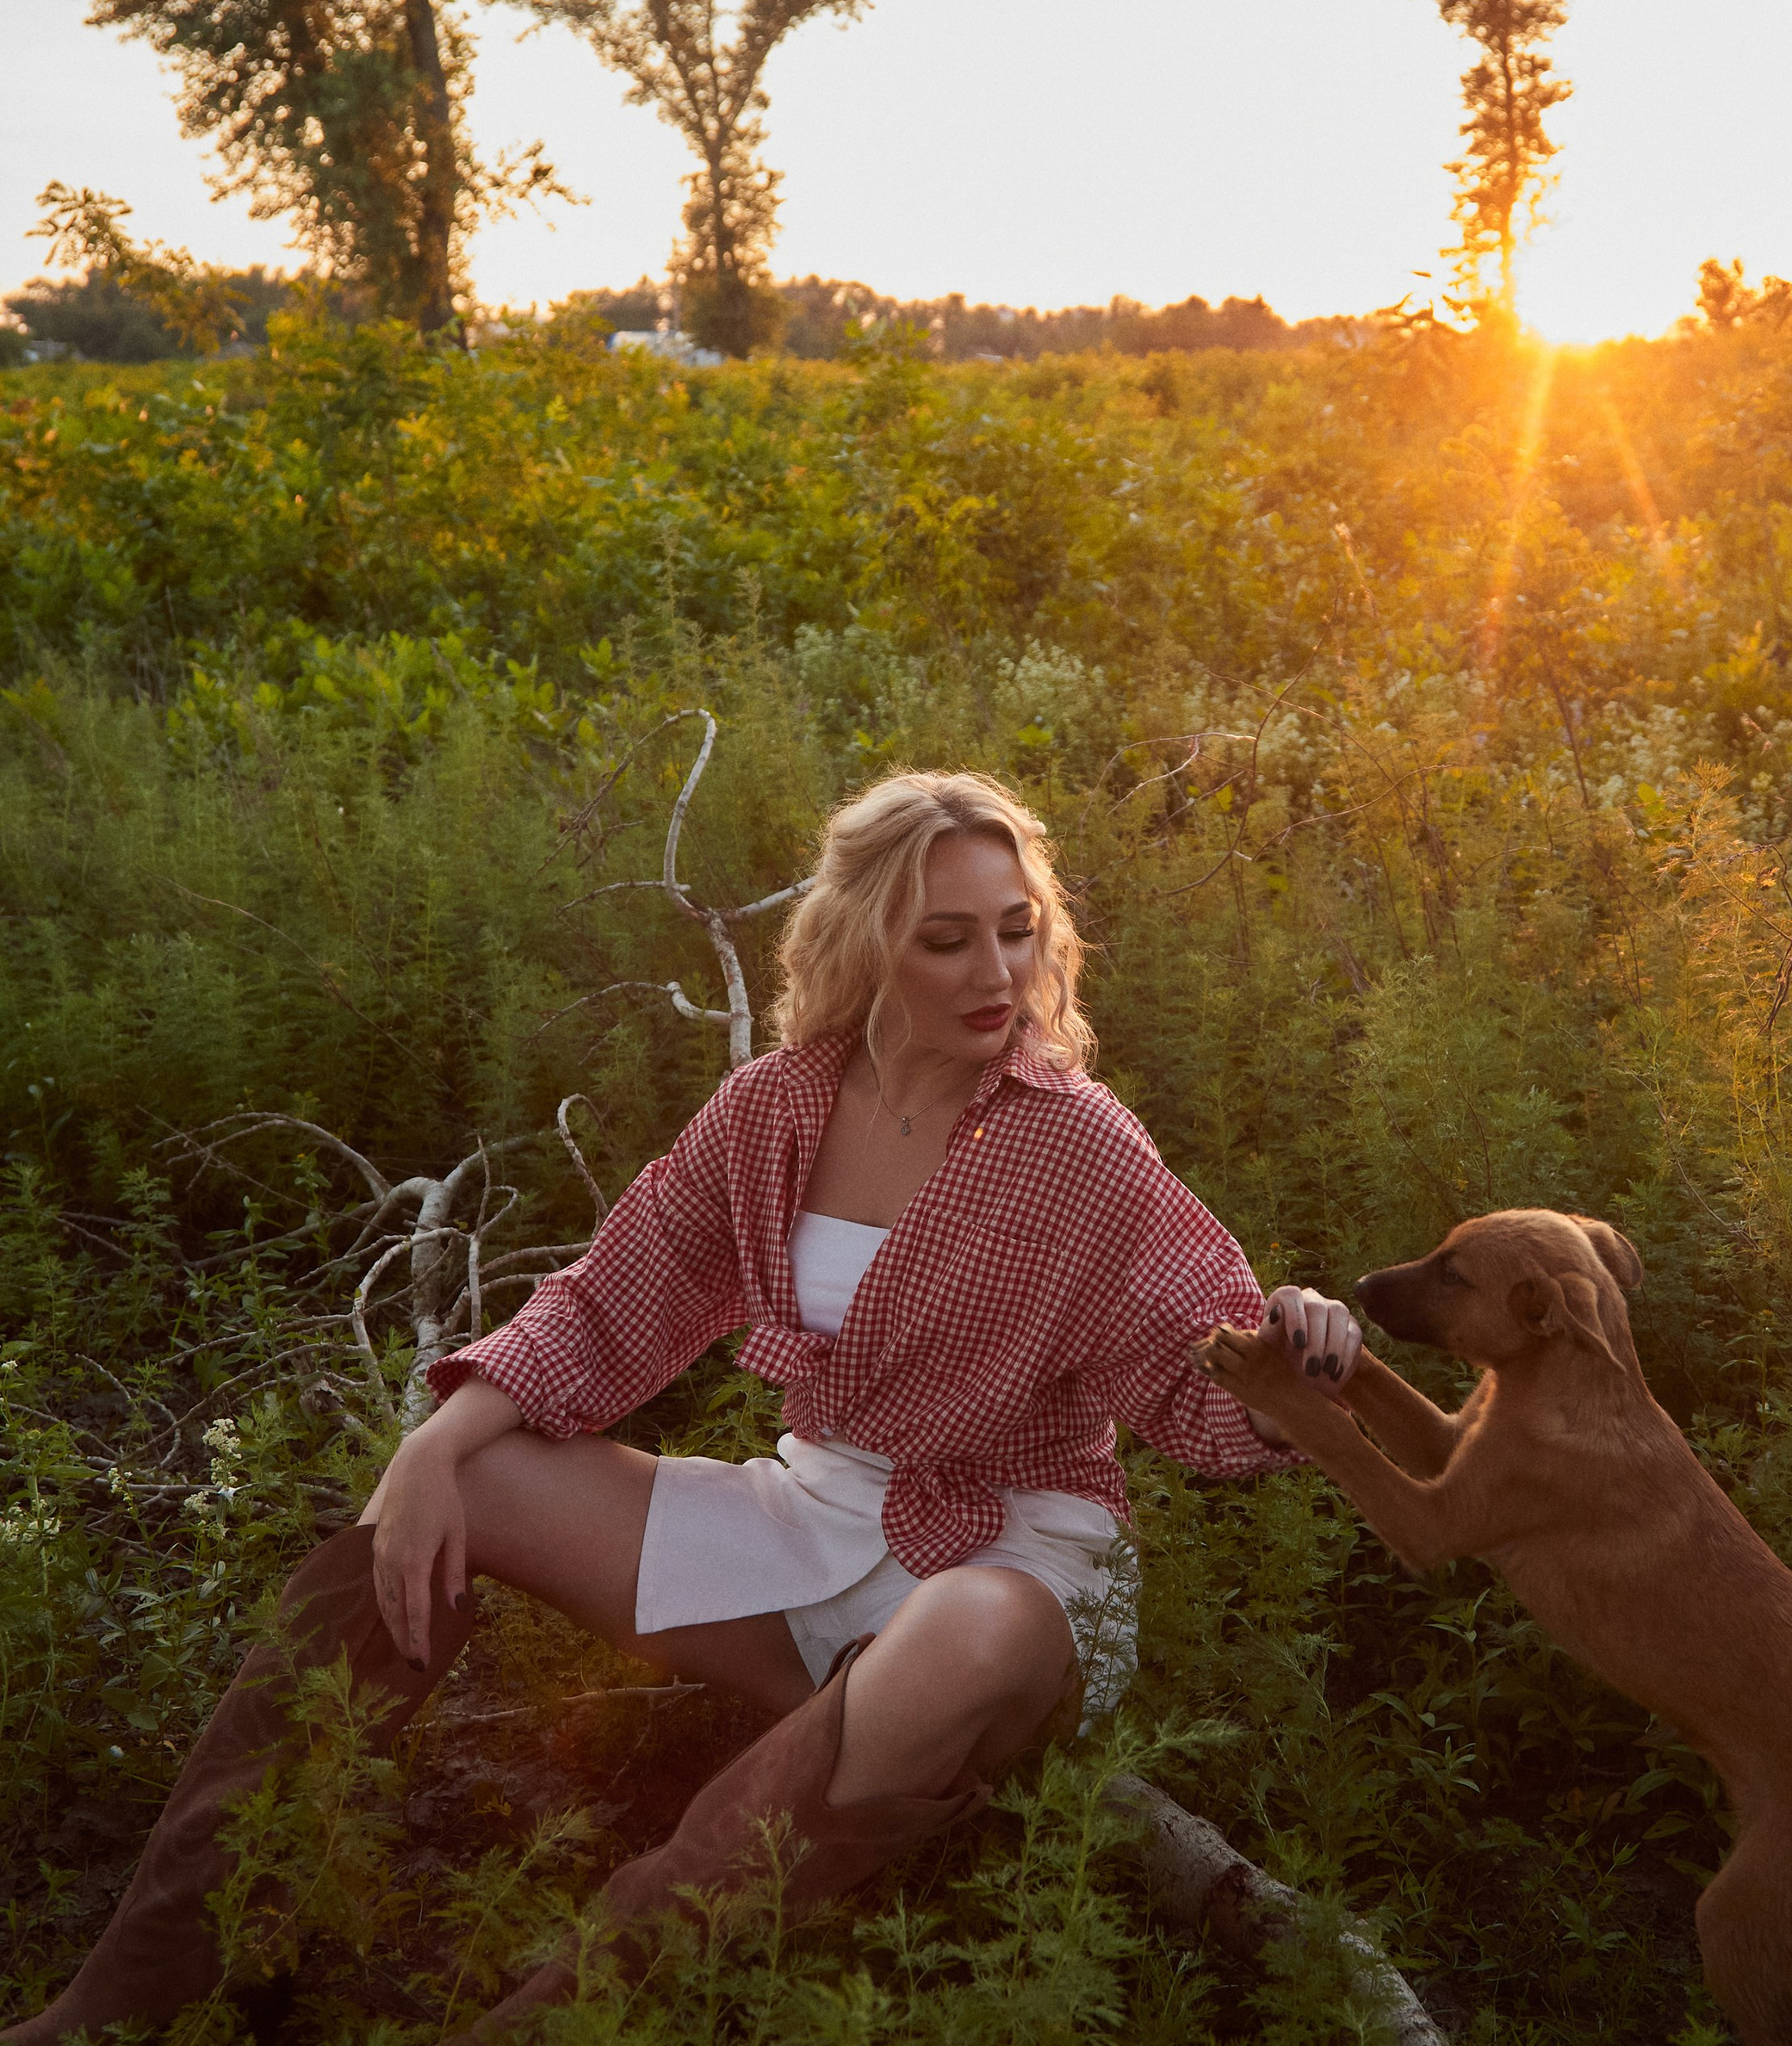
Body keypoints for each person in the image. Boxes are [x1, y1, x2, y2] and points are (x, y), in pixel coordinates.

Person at [8, 769, 1366, 2043]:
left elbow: (1206, 1380)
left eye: (1018, 931)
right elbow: (613, 1300)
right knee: (455, 1493)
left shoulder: (1078, 1141)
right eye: (948, 939)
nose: (998, 974)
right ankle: (142, 1990)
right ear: (866, 941)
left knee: (960, 1625)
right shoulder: (774, 1110)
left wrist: (1301, 1359)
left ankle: (557, 2018)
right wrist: (438, 1444)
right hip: (809, 1525)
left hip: (1007, 1568)